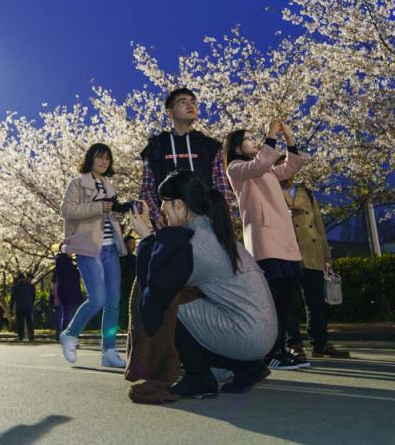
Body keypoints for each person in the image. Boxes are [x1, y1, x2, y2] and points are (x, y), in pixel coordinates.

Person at [130, 170, 277, 399]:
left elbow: (155, 288)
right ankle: (245, 367)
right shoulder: (211, 232)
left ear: (178, 204)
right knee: (184, 295)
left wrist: (147, 238)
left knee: (168, 303)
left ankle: (199, 377)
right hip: (258, 332)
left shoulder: (197, 246)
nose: (161, 210)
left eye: (164, 203)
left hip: (247, 335)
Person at [225, 119, 308, 370]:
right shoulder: (236, 168)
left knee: (287, 297)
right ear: (238, 149)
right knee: (274, 298)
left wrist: (289, 138)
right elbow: (260, 162)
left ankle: (279, 349)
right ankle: (270, 351)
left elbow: (292, 165)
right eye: (250, 140)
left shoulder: (267, 170)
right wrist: (271, 135)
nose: (255, 142)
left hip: (284, 240)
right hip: (265, 240)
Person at [59, 143, 129, 368]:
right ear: (90, 159)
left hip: (110, 248)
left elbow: (109, 216)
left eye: (107, 158)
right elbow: (67, 211)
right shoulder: (77, 184)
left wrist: (119, 211)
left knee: (113, 302)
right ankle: (70, 333)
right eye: (99, 157)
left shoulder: (109, 186)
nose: (104, 161)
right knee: (97, 299)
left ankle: (108, 351)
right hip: (88, 248)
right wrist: (98, 207)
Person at [277, 160, 351, 359]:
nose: (286, 172)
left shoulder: (306, 192)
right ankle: (294, 344)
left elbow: (318, 225)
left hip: (312, 253)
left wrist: (326, 255)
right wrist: (285, 215)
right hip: (287, 253)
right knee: (290, 302)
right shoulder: (270, 192)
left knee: (316, 302)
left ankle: (320, 343)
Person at [140, 87, 233, 230]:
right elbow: (147, 189)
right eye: (183, 102)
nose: (190, 105)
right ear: (169, 112)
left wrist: (222, 219)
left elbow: (221, 188)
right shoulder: (155, 147)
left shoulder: (211, 146)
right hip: (170, 224)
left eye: (193, 102)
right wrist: (157, 215)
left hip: (206, 223)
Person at [53, 253, 83, 338]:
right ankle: (69, 335)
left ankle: (67, 334)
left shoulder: (58, 267)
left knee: (66, 314)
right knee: (70, 315)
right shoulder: (70, 266)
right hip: (72, 293)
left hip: (64, 293)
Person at [10, 272, 36, 342]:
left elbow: (13, 298)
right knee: (29, 321)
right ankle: (31, 335)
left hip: (20, 306)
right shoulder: (30, 285)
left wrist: (11, 307)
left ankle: (20, 336)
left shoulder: (16, 286)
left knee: (20, 322)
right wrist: (31, 303)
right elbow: (34, 296)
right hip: (28, 305)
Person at [119, 236, 138, 331]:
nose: (133, 246)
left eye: (134, 244)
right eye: (131, 243)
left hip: (132, 286)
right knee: (124, 305)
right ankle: (123, 324)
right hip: (124, 286)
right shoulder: (120, 258)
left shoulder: (135, 258)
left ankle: (128, 325)